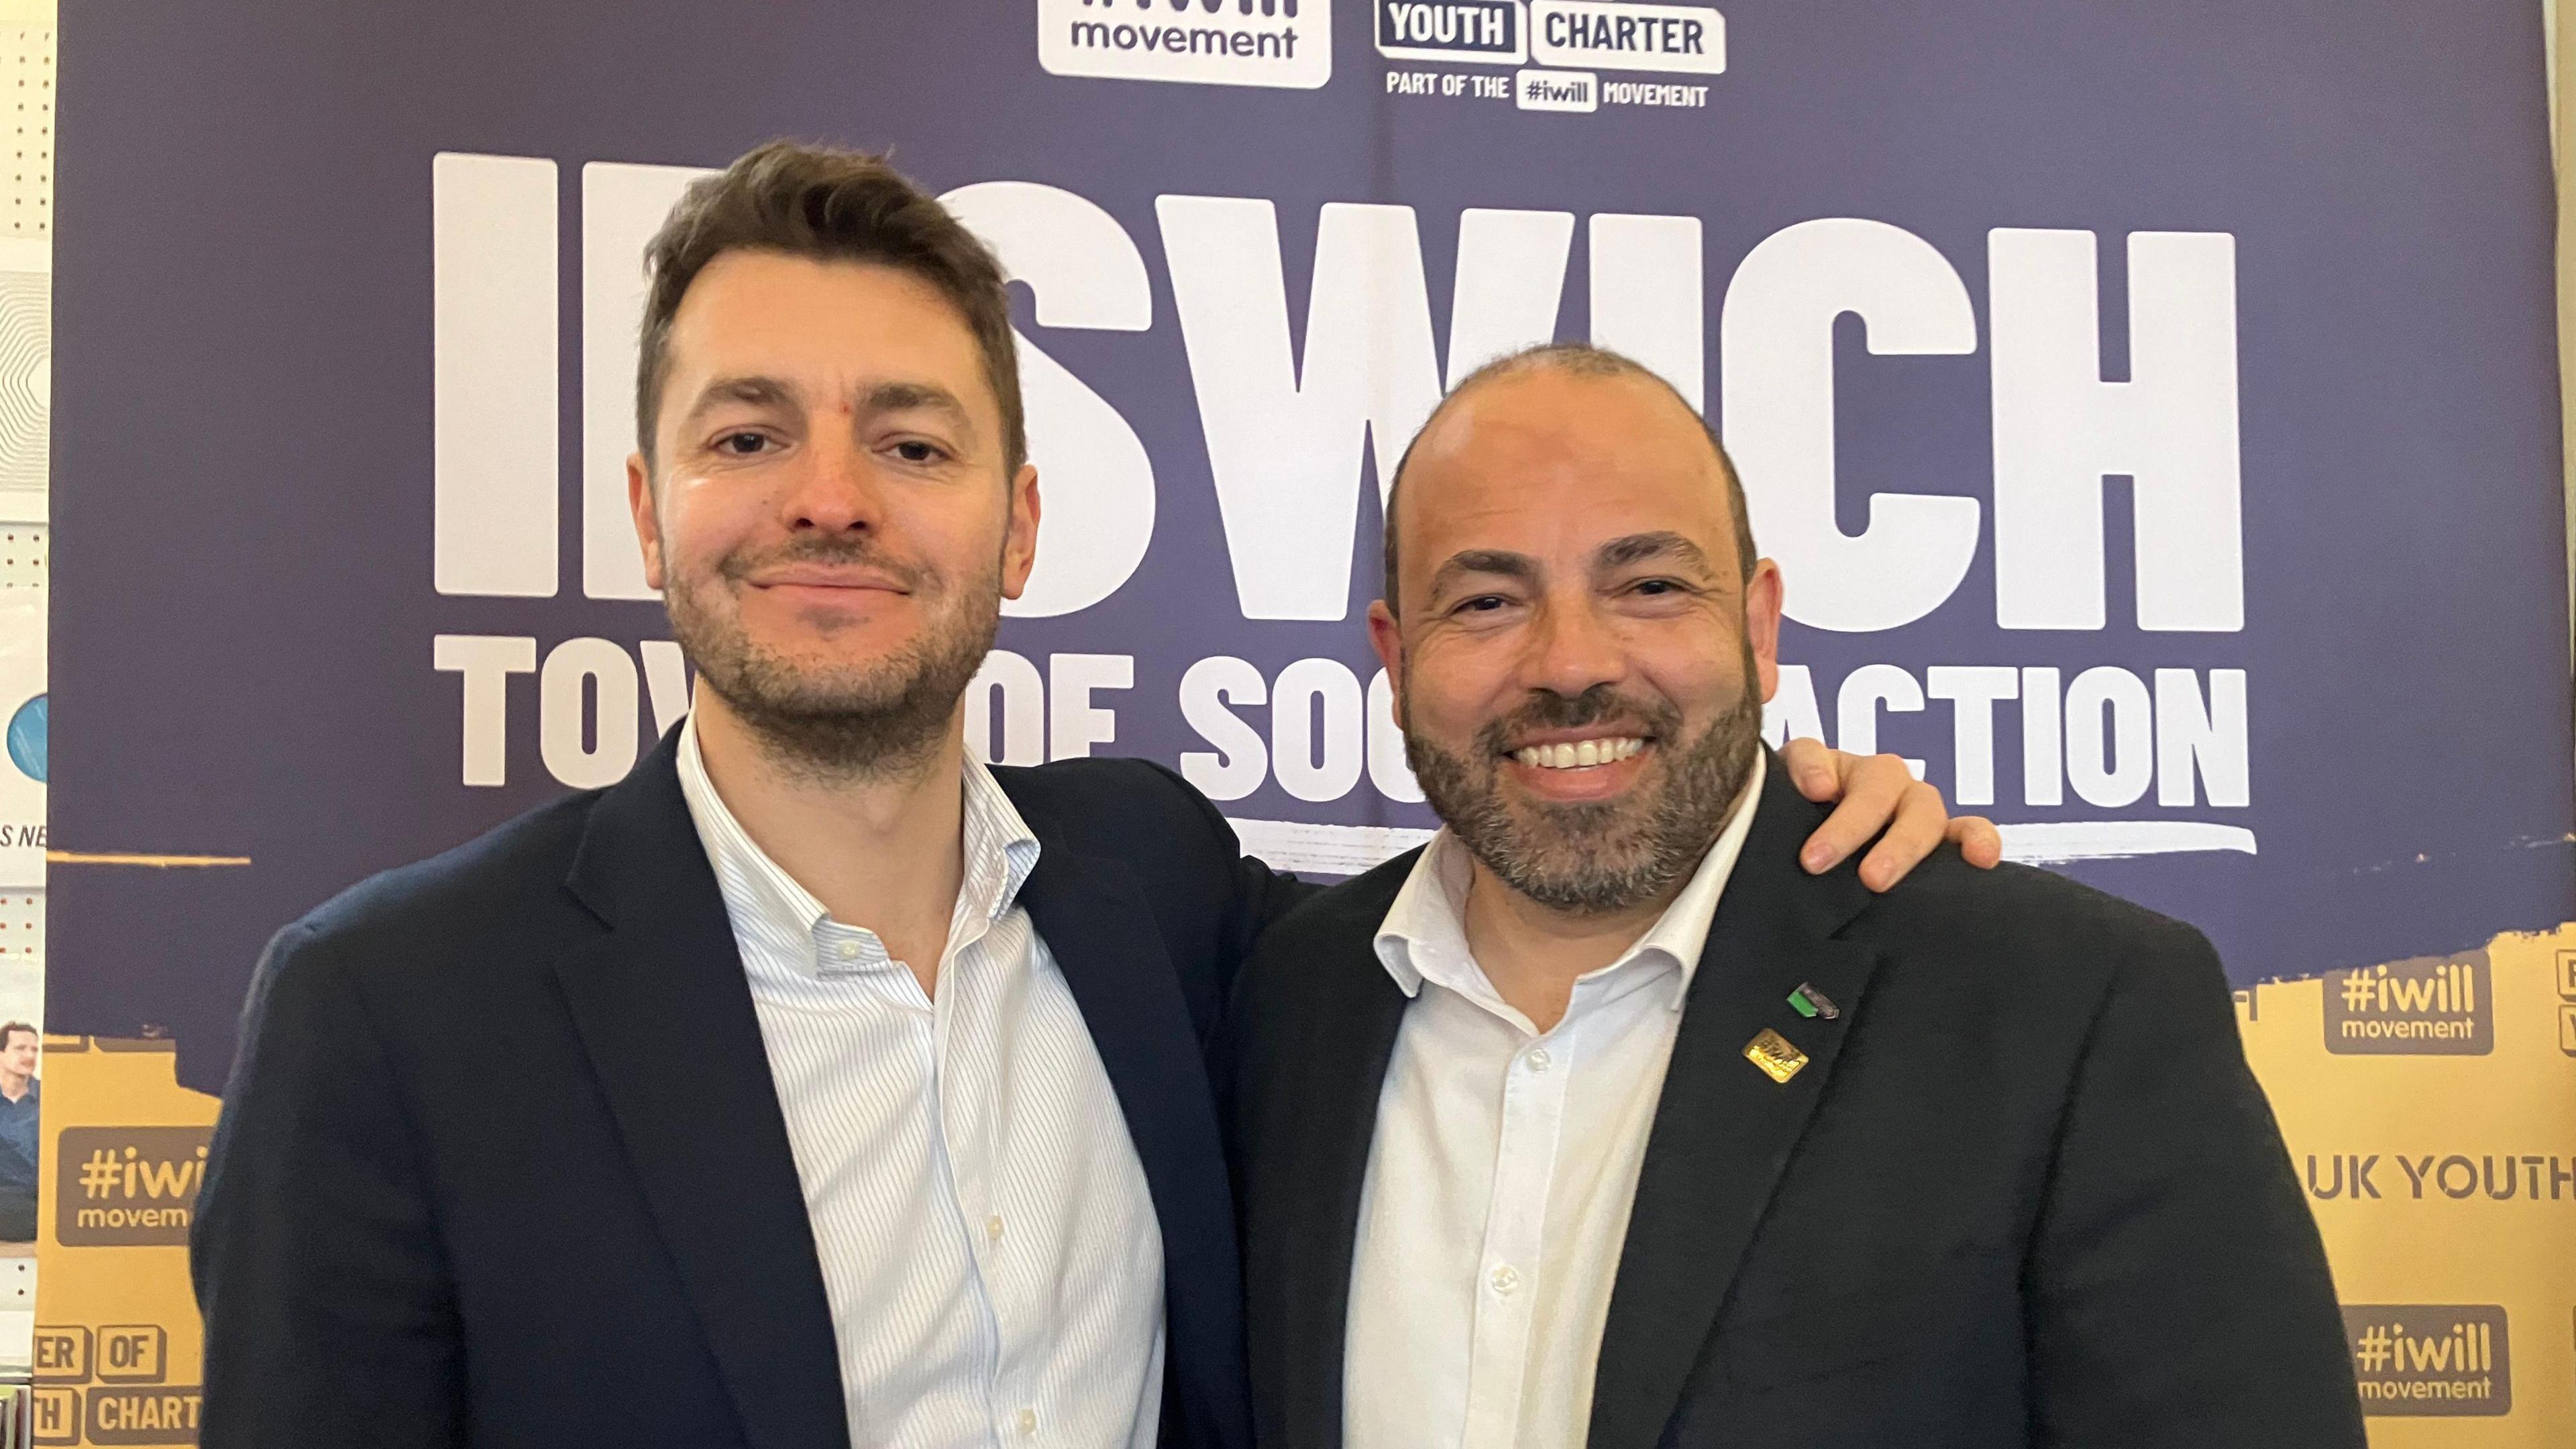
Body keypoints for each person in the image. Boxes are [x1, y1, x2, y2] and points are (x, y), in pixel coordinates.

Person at [190, 144, 1992, 1449]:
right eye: (748, 436)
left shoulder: (1163, 890)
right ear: (652, 513)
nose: (832, 498)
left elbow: (1538, 887)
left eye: (911, 442)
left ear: (1021, 523)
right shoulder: (394, 1014)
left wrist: (1795, 825)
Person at [1227, 344, 2366, 1449]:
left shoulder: (2068, 1008)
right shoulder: (1276, 1002)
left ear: (1759, 628)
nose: (1571, 663)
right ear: (1395, 654)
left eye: (1650, 585)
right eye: (1485, 602)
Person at [0, 1022, 36, 1240]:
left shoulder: (51, 1097)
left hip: (40, 1199)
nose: (29, 1055)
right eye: (20, 1048)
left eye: (34, 1050)